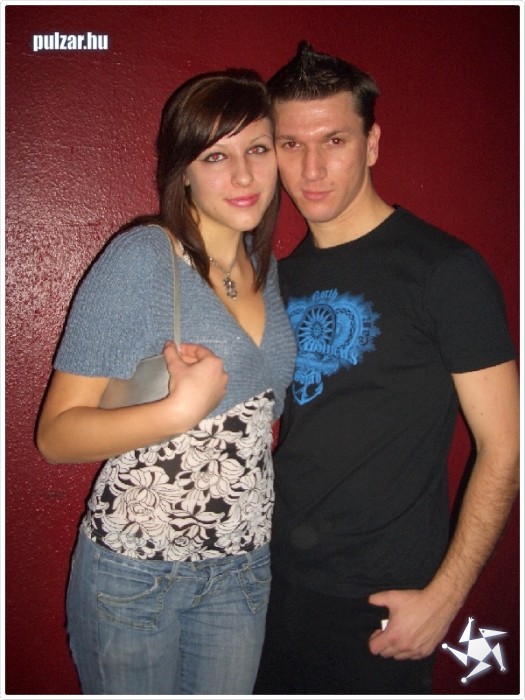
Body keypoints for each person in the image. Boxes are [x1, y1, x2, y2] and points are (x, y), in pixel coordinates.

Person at [254, 42, 520, 695]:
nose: (311, 168)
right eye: (290, 144)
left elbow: (506, 445)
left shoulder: (444, 271)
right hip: (269, 583)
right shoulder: (278, 279)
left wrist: (445, 597)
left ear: (371, 145)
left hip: (380, 601)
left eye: (334, 140)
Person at [36, 68, 296, 695]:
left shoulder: (266, 269)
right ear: (184, 172)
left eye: (258, 149)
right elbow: (55, 436)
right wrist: (177, 412)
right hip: (137, 570)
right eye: (216, 156)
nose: (243, 176)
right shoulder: (144, 259)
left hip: (242, 566)